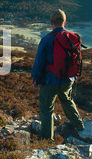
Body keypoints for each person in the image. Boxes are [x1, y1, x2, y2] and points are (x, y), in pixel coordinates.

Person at [31, 9, 84, 140]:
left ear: (51, 23)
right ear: (65, 22)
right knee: (67, 99)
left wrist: (36, 79)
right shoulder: (71, 38)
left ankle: (46, 138)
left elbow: (39, 62)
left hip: (50, 80)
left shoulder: (47, 39)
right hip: (68, 79)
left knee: (47, 108)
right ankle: (79, 125)